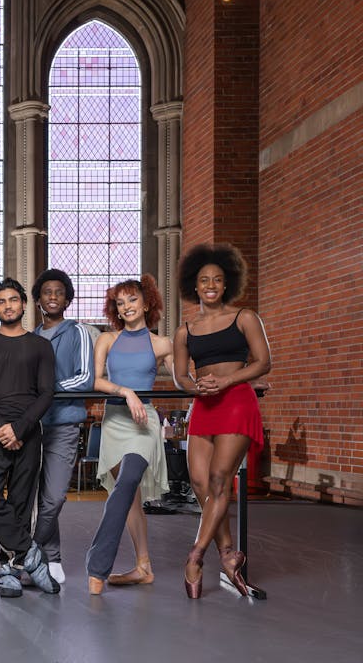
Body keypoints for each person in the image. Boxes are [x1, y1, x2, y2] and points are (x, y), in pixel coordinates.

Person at [173, 244, 270, 599]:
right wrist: (195, 386)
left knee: (219, 480)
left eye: (217, 279)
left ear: (226, 284)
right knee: (200, 484)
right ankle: (229, 556)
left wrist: (227, 381)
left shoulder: (245, 317)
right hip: (204, 405)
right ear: (194, 286)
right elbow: (180, 374)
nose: (210, 285)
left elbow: (263, 362)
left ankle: (195, 556)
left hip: (235, 402)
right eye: (203, 280)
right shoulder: (186, 330)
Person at [0, 278, 58, 598]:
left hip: (29, 430)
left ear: (23, 304)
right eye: (1, 301)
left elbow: (47, 391)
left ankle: (11, 572)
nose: (7, 306)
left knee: (21, 504)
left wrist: (19, 428)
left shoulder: (40, 346)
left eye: (12, 300)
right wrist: (2, 428)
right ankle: (31, 555)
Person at [84, 275, 172, 595]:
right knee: (127, 494)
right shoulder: (107, 340)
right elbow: (96, 381)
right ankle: (144, 566)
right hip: (116, 420)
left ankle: (97, 565)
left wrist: (236, 381)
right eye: (120, 303)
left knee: (126, 484)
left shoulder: (163, 344)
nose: (127, 306)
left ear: (146, 303)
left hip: (143, 423)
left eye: (132, 299)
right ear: (116, 311)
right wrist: (126, 392)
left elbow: (188, 378)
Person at [30, 269, 95, 585]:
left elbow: (85, 379)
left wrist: (46, 388)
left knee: (54, 497)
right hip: (32, 427)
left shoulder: (79, 332)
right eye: (46, 292)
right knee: (39, 497)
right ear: (38, 299)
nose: (52, 297)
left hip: (64, 425)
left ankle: (25, 554)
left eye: (58, 292)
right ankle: (50, 557)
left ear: (67, 299)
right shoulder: (31, 338)